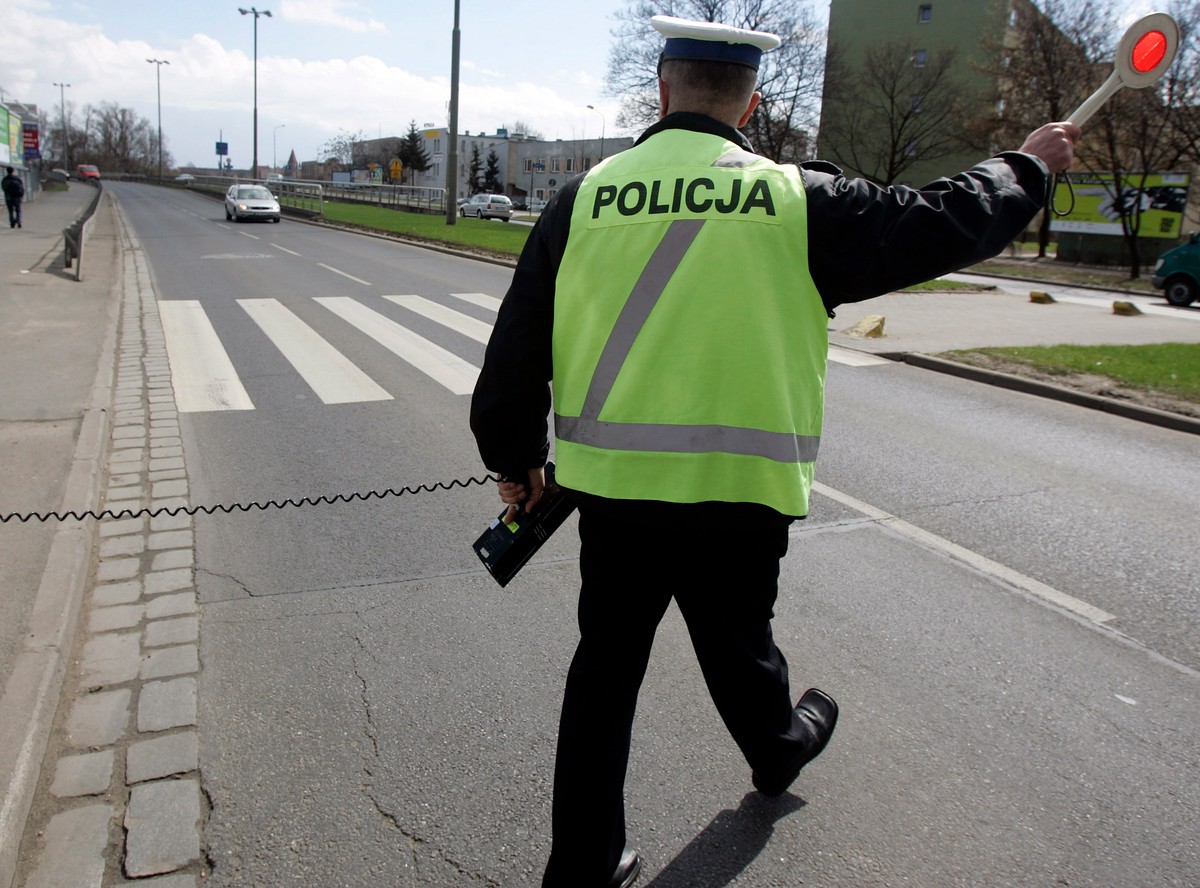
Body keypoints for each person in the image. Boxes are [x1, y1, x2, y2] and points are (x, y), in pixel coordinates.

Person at [470, 14, 1078, 887]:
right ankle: (781, 747)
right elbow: (941, 221)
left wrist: (516, 459)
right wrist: (1024, 167)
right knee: (739, 644)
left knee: (604, 672)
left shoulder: (583, 199)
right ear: (750, 104)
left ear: (663, 91)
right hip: (740, 491)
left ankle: (583, 867)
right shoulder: (800, 200)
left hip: (615, 493)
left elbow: (517, 346)